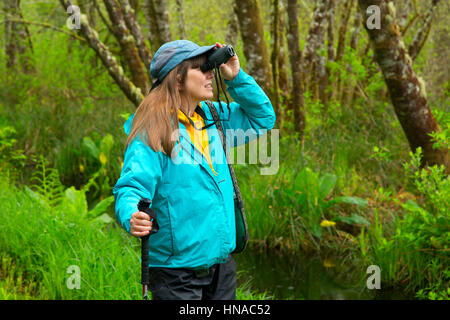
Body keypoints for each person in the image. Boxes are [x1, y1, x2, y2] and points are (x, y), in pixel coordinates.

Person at [113, 39, 275, 300]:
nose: (210, 73)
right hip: (176, 272)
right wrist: (132, 213)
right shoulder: (153, 131)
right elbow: (131, 187)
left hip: (221, 264)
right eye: (201, 68)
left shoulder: (214, 117)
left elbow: (262, 118)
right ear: (178, 79)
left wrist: (237, 78)